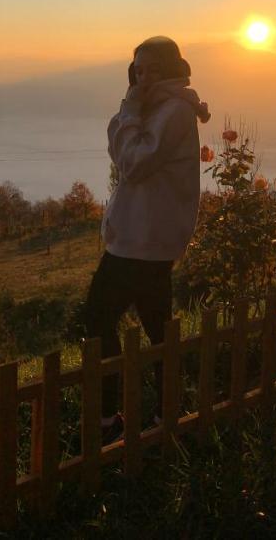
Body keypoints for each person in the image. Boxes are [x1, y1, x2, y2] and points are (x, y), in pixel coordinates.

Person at [85, 36, 209, 441]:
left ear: (172, 69)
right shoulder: (160, 108)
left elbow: (132, 163)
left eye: (153, 69)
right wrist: (131, 115)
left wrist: (129, 111)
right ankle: (167, 414)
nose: (144, 77)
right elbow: (121, 150)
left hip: (141, 241)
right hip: (146, 238)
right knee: (158, 330)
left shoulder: (172, 111)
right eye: (138, 70)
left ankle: (108, 419)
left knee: (99, 320)